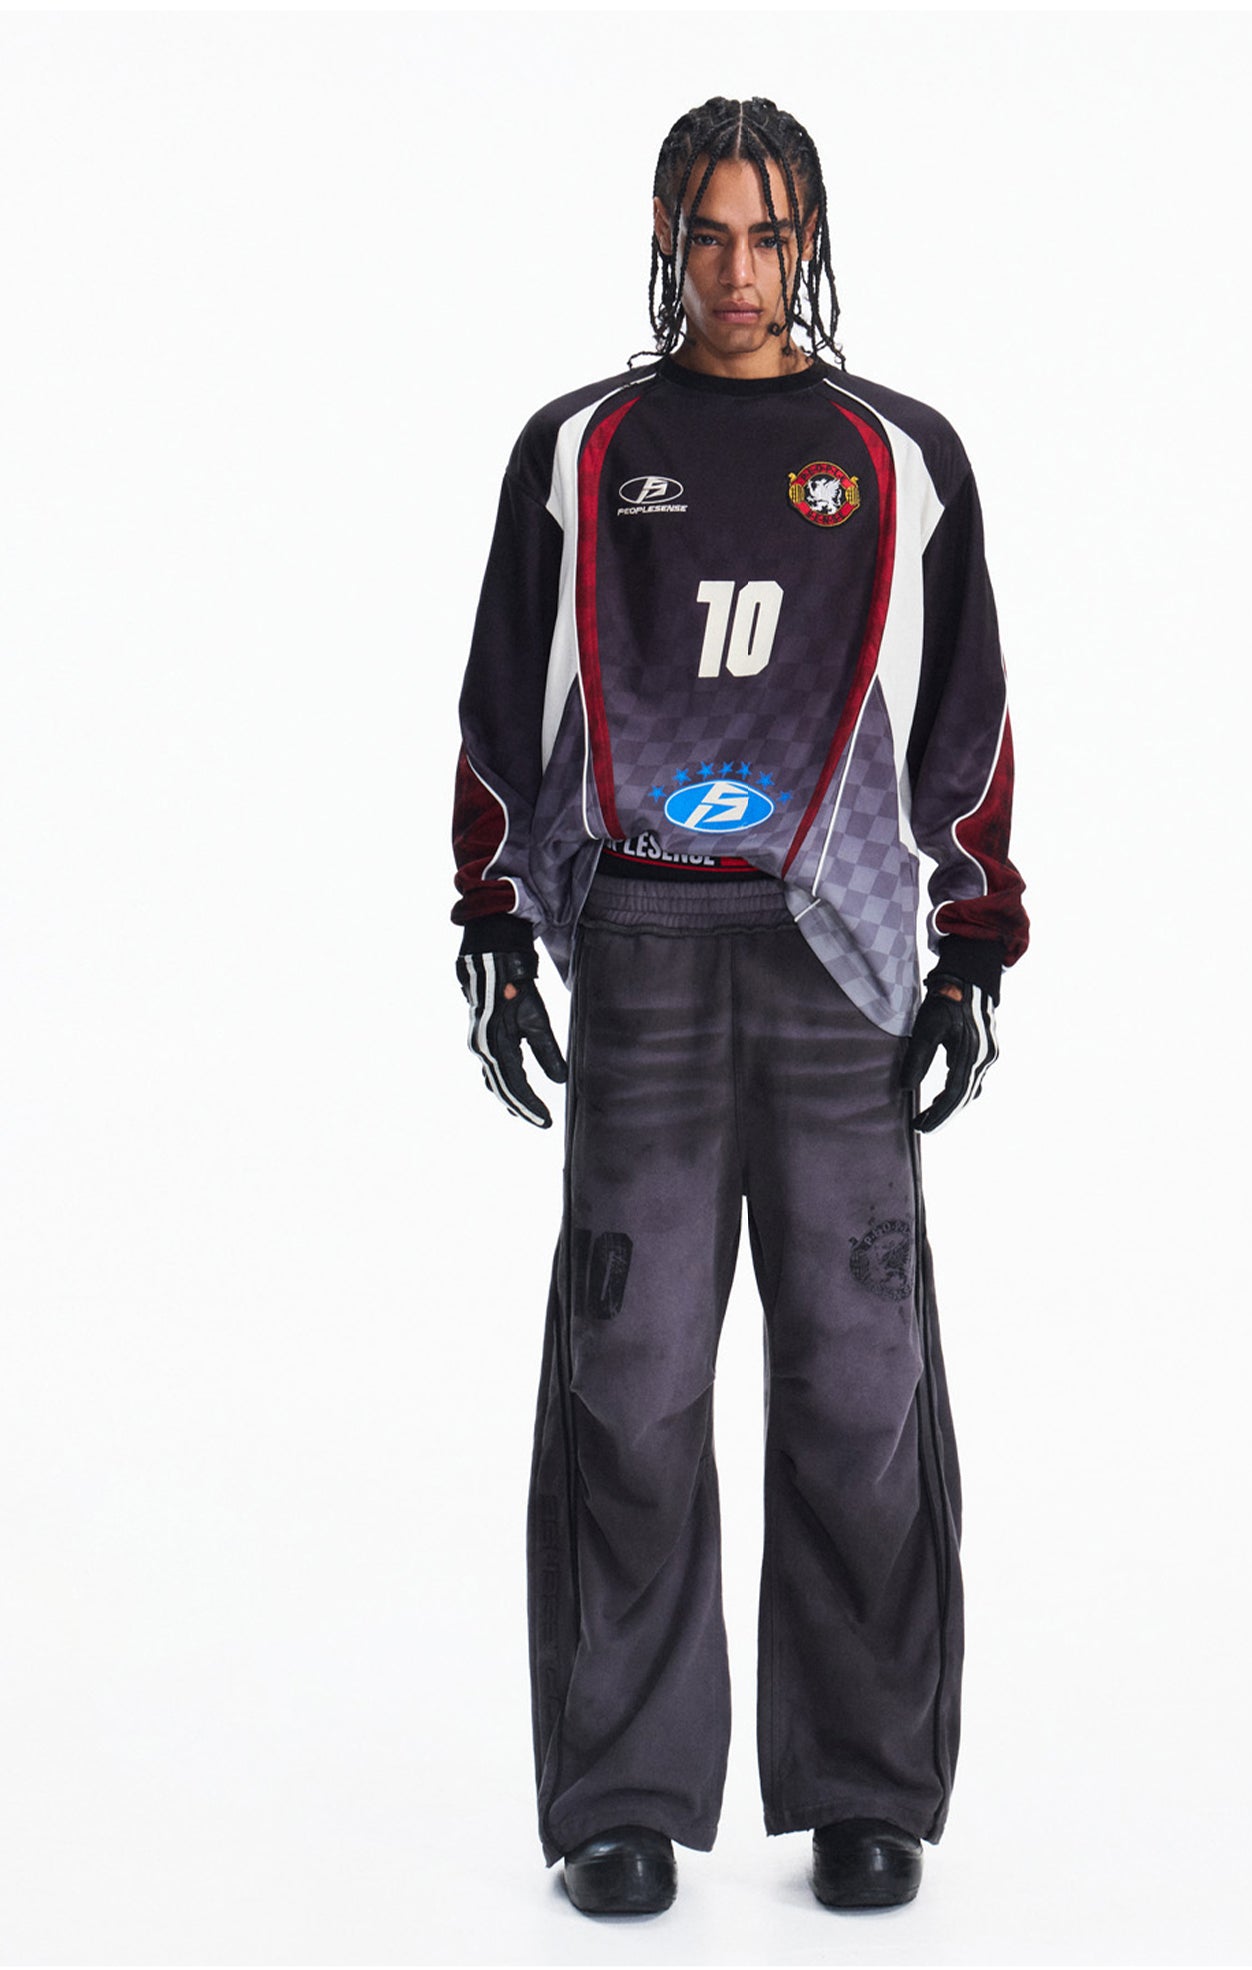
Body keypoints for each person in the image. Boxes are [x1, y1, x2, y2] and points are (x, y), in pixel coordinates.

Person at [450, 95, 1029, 1917]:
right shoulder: (578, 449)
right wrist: (491, 921)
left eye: (767, 236)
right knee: (628, 1379)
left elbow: (967, 722)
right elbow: (499, 706)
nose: (735, 270)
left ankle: (865, 1787)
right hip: (638, 948)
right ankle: (619, 1798)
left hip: (838, 957)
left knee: (859, 1381)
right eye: (704, 234)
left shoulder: (901, 455)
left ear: (811, 241)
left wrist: (973, 943)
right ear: (661, 235)